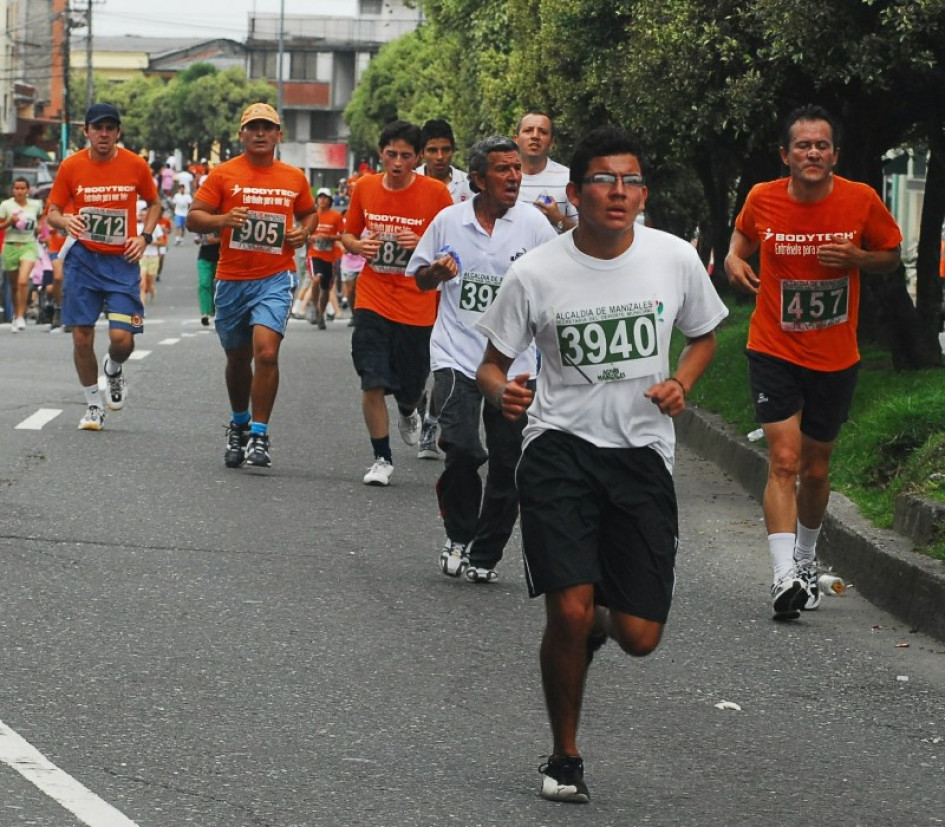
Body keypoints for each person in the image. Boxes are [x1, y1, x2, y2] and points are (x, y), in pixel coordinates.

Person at [476, 125, 727, 803]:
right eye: (604, 180)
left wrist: (681, 382)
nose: (619, 192)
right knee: (569, 606)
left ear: (643, 193)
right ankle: (565, 755)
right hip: (558, 447)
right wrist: (504, 393)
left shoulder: (673, 258)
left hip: (641, 454)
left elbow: (705, 335)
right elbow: (491, 365)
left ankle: (591, 623)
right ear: (574, 191)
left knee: (639, 636)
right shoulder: (535, 272)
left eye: (631, 180)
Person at [724, 104, 903, 620]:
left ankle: (805, 559)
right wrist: (734, 258)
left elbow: (891, 255)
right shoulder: (762, 197)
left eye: (822, 145)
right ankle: (784, 576)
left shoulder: (860, 199)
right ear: (786, 155)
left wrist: (858, 259)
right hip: (774, 348)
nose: (813, 153)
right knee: (784, 461)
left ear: (835, 155)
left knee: (816, 469)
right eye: (803, 145)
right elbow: (743, 236)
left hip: (834, 355)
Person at [407, 135, 556, 581]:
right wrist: (435, 273)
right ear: (478, 179)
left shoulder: (534, 226)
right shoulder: (449, 221)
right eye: (503, 169)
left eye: (517, 168)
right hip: (456, 355)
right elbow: (419, 279)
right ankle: (459, 533)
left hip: (515, 363)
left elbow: (560, 282)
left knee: (509, 463)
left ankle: (485, 555)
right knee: (463, 449)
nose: (514, 177)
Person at [187, 102, 317, 469]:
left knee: (267, 353)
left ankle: (259, 433)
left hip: (275, 276)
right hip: (232, 279)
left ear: (279, 135)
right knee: (238, 358)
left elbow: (309, 213)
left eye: (268, 127)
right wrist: (224, 219)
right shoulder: (223, 175)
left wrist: (303, 231)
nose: (260, 133)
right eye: (253, 127)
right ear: (241, 134)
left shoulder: (294, 177)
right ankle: (239, 423)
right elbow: (194, 218)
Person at [340, 120, 453, 486]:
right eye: (391, 154)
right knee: (371, 379)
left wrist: (420, 242)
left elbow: (453, 246)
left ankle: (408, 409)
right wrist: (358, 246)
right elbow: (347, 233)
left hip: (417, 304)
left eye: (406, 156)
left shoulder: (436, 193)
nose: (398, 162)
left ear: (417, 158)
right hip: (373, 297)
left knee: (410, 385)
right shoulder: (365, 187)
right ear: (381, 154)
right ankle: (381, 459)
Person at [45, 103, 161, 430]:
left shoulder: (135, 164)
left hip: (122, 261)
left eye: (110, 128)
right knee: (82, 336)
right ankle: (94, 405)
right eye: (98, 128)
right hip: (83, 260)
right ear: (87, 132)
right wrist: (65, 220)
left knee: (122, 338)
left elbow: (154, 203)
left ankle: (113, 367)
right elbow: (52, 212)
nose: (104, 134)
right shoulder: (71, 166)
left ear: (118, 132)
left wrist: (145, 237)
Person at [414, 119, 474, 460]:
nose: (440, 157)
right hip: (419, 284)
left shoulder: (469, 184)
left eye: (446, 150)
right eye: (432, 150)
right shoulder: (410, 180)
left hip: (455, 286)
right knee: (417, 363)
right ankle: (414, 401)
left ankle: (432, 423)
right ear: (422, 153)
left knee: (445, 362)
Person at [513, 110, 578, 233]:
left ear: (552, 143)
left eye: (543, 132)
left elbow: (584, 235)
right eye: (528, 130)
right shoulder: (503, 178)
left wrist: (558, 219)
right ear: (516, 139)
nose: (535, 136)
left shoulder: (568, 178)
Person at [0, 176, 44, 332]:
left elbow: (41, 218)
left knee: (23, 281)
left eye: (22, 188)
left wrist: (40, 227)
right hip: (11, 245)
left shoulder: (35, 205)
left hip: (28, 245)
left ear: (28, 190)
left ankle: (20, 316)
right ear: (13, 190)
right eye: (16, 188)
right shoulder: (6, 205)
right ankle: (16, 314)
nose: (19, 191)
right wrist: (9, 222)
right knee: (13, 285)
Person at [307, 187, 344, 329]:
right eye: (320, 197)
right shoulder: (312, 215)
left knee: (326, 289)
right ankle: (314, 308)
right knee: (316, 279)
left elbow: (343, 235)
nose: (322, 200)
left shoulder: (336, 216)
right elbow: (304, 232)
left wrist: (329, 237)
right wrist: (312, 237)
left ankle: (321, 314)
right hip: (314, 255)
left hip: (330, 257)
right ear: (316, 200)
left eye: (325, 197)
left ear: (330, 200)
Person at [195, 229, 220, 326]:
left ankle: (216, 310)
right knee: (204, 284)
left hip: (222, 257)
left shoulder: (225, 223)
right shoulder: (204, 224)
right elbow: (197, 237)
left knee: (219, 286)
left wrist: (218, 240)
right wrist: (199, 239)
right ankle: (205, 313)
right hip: (205, 257)